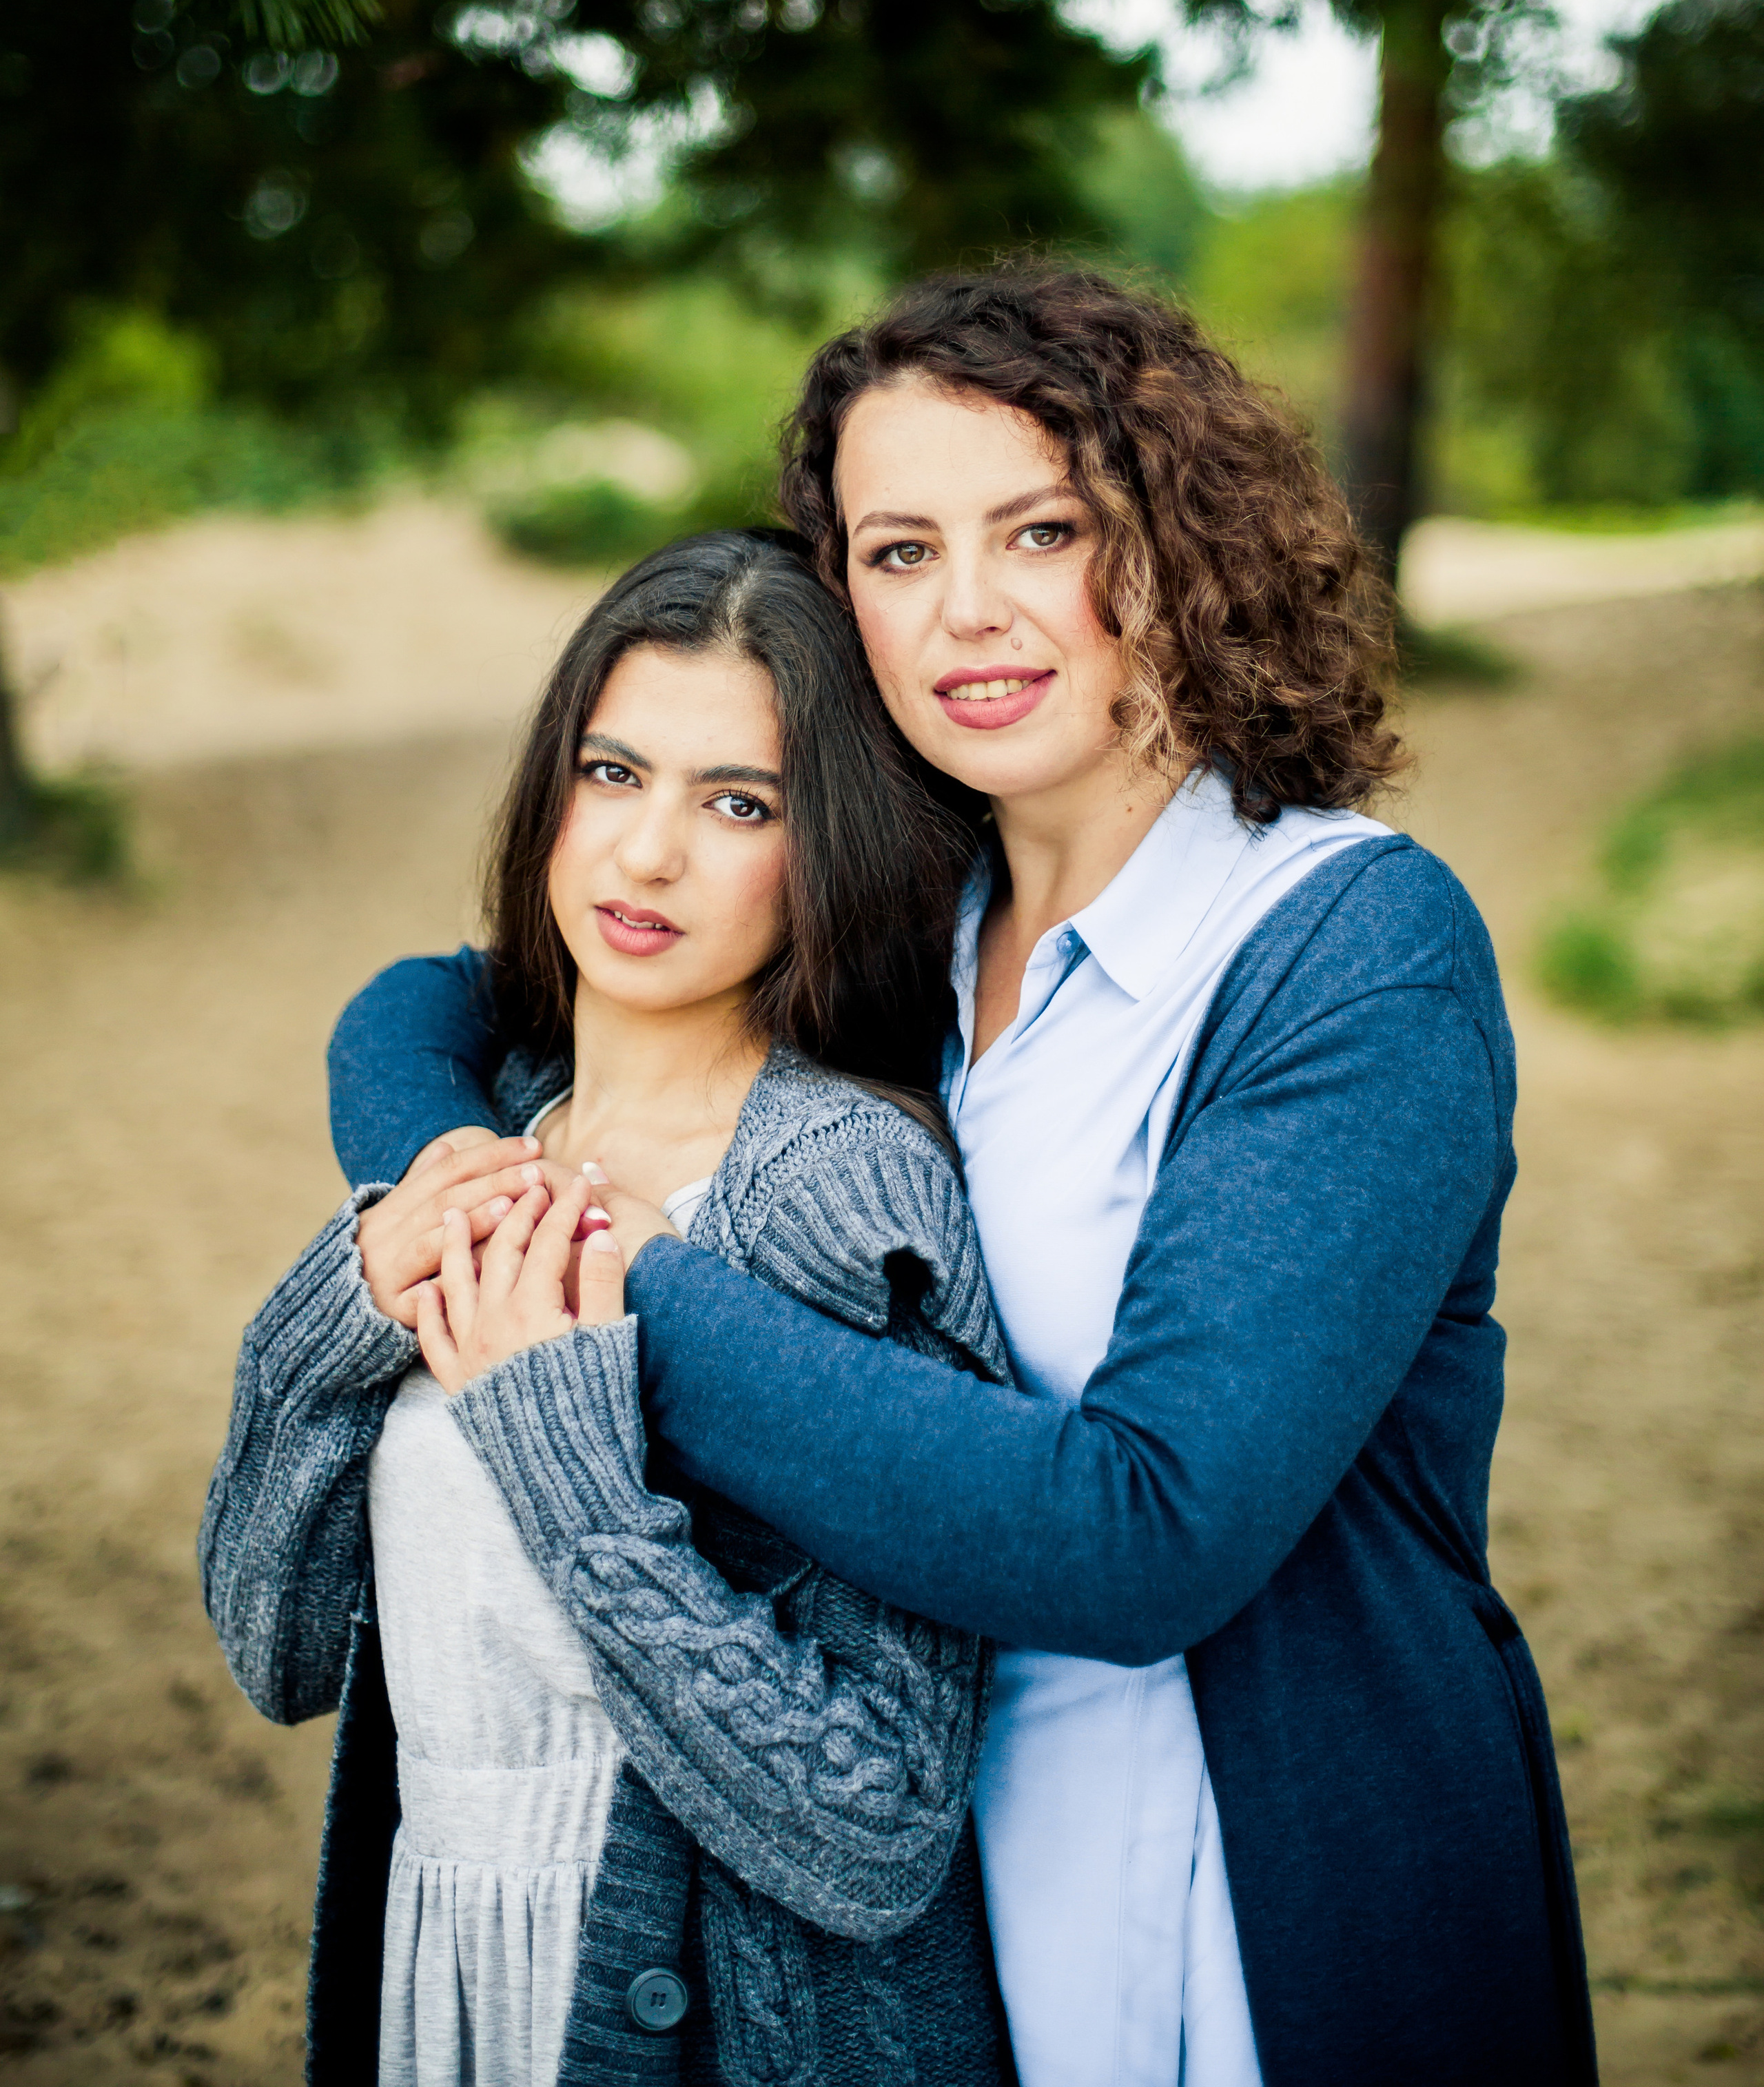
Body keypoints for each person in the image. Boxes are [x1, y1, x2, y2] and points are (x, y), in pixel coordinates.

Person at [330, 267, 1600, 2087]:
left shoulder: (1349, 947)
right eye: (899, 550)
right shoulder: (899, 928)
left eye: (1042, 530)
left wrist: (603, 1278)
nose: (970, 613)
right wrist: (450, 1177)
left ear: (1181, 541)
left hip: (1262, 1908)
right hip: (915, 1931)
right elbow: (438, 1004)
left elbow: (1146, 1536)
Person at [201, 528, 1021, 2087]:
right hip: (439, 1965)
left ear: (827, 844)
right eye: (611, 773)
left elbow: (876, 1829)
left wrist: (560, 1448)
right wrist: (342, 1311)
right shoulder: (490, 1133)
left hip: (725, 2023)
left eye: (736, 805)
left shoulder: (842, 1197)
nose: (646, 857)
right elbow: (277, 1651)